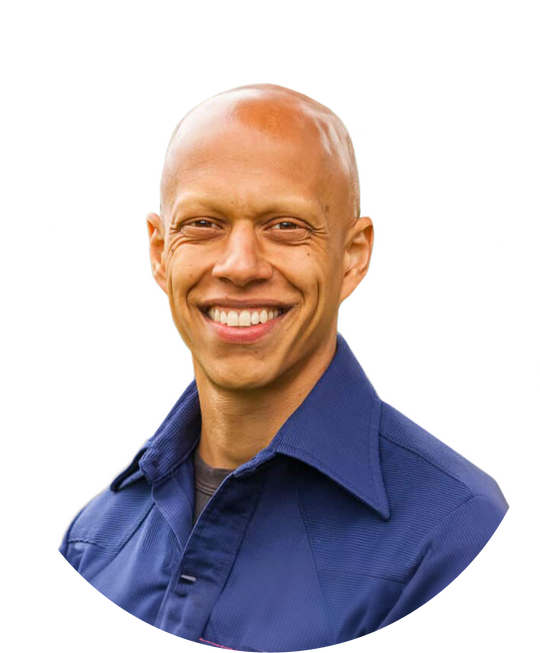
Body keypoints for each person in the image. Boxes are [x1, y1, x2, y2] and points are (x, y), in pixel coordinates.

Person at [58, 81, 509, 651]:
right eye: (203, 224)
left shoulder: (454, 537)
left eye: (285, 226)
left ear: (352, 254)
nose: (239, 265)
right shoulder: (94, 541)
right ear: (159, 251)